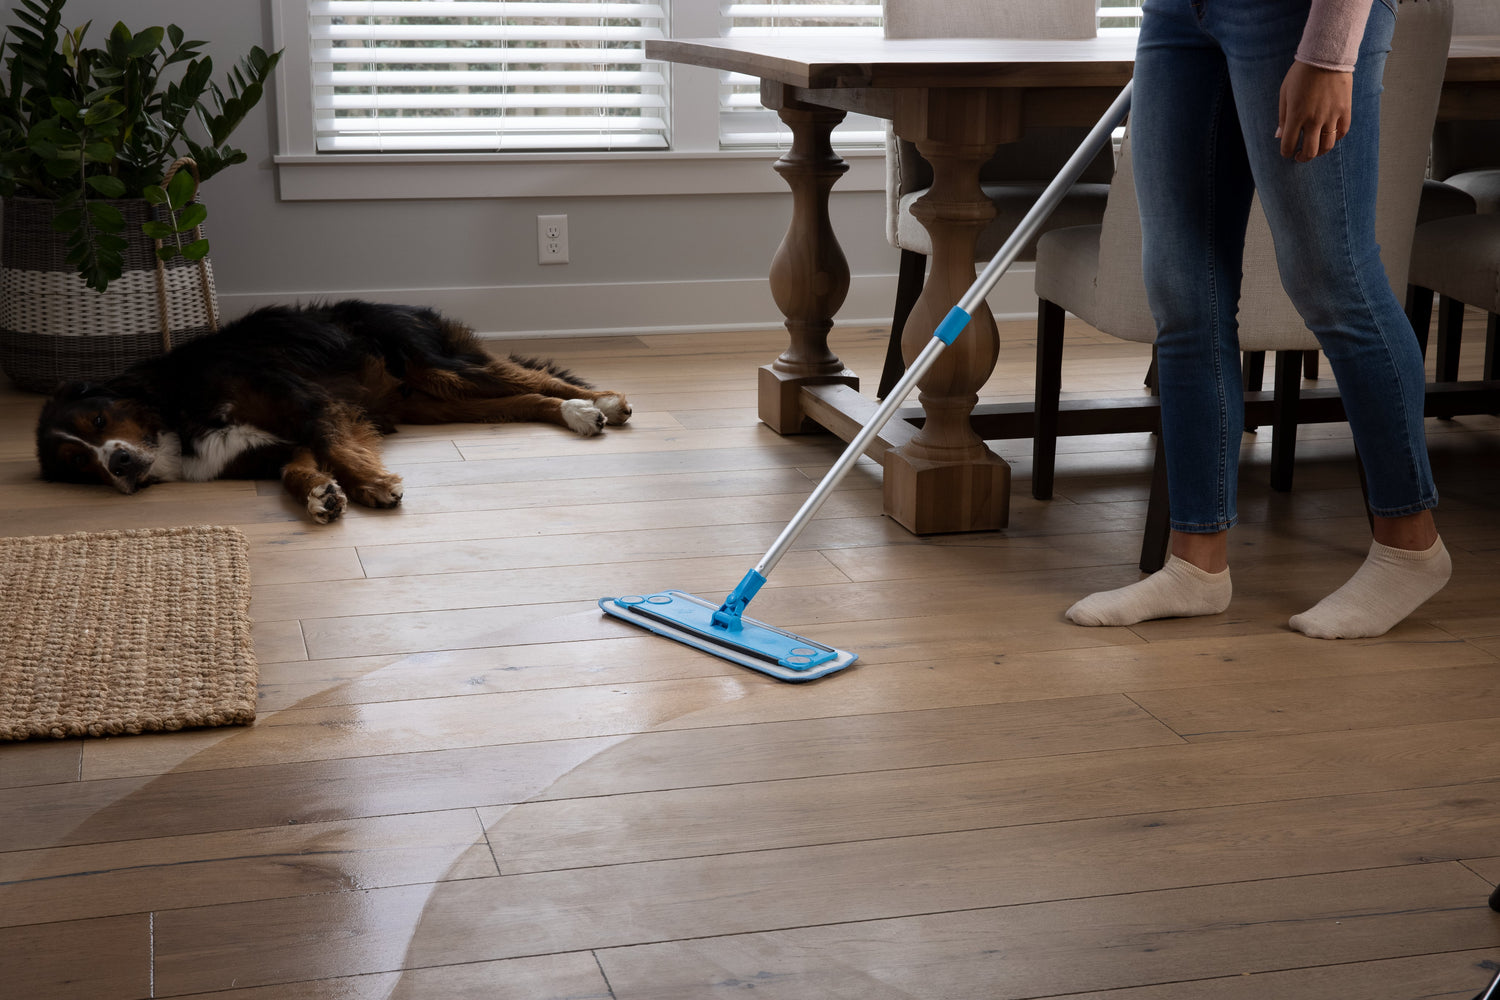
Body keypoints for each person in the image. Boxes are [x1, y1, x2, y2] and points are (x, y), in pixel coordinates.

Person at [1065, 0, 1451, 638]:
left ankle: (1410, 548)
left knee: (1334, 282)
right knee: (1183, 290)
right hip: (1177, 14)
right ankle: (1196, 565)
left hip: (1297, 14)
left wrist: (1329, 50)